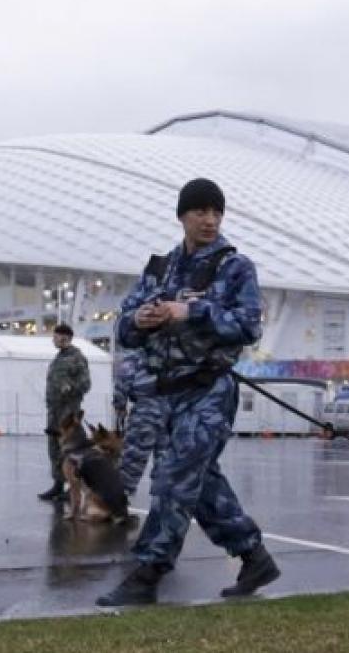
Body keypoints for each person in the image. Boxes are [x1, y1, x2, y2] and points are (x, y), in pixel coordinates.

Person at [97, 178, 280, 606]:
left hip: (208, 390)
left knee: (174, 479)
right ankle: (254, 556)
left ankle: (148, 572)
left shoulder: (235, 268)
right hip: (165, 393)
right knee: (200, 484)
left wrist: (191, 311)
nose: (210, 220)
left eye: (217, 212)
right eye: (200, 212)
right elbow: (123, 328)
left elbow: (249, 325)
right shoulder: (160, 267)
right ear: (182, 216)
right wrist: (141, 320)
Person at [38, 323, 91, 501]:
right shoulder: (58, 358)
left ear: (65, 337)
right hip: (54, 411)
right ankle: (58, 484)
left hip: (68, 413)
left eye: (56, 336)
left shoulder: (77, 358)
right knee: (54, 448)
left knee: (70, 450)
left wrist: (70, 388)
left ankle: (73, 486)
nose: (53, 340)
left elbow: (86, 384)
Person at [113, 348, 167, 497]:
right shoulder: (173, 352)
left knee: (131, 463)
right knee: (166, 465)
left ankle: (119, 504)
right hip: (172, 414)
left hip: (145, 414)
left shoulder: (134, 356)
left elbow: (122, 383)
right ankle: (162, 508)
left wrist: (120, 405)